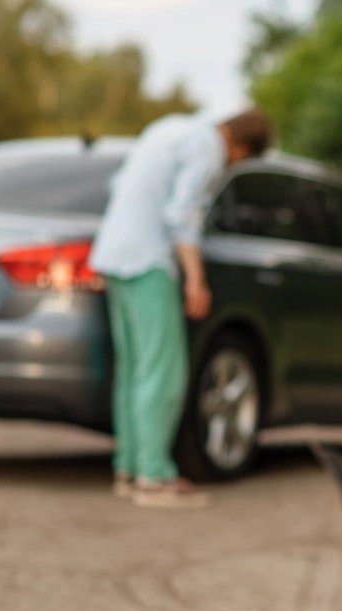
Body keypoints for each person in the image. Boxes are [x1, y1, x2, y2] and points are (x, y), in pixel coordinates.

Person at [90, 110, 272, 508]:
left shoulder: (167, 127)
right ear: (240, 148)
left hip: (112, 254)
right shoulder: (207, 148)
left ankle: (130, 468)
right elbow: (182, 215)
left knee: (135, 370)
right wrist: (195, 279)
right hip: (148, 260)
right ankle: (154, 477)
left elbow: (118, 183)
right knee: (163, 371)